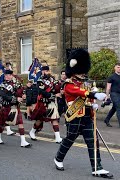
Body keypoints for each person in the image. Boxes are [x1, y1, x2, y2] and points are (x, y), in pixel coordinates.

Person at [54, 48, 113, 178]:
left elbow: (87, 98)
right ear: (74, 72)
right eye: (81, 72)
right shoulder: (68, 84)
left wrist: (93, 105)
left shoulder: (84, 84)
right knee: (69, 140)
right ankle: (58, 158)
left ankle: (97, 168)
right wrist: (95, 94)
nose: (83, 75)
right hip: (74, 117)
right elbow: (79, 93)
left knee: (93, 141)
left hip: (87, 117)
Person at [0, 69, 31, 147]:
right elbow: (4, 95)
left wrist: (23, 96)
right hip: (6, 106)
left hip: (15, 107)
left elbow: (22, 91)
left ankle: (23, 141)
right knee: (2, 123)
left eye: (8, 75)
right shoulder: (2, 85)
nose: (7, 76)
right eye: (5, 75)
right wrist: (15, 99)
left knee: (20, 123)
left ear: (11, 76)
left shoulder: (16, 84)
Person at [29, 65, 63, 143]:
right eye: (45, 71)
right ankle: (32, 131)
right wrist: (53, 95)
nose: (46, 72)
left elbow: (56, 88)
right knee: (40, 120)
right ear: (42, 72)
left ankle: (57, 137)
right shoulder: (40, 80)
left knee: (54, 119)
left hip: (51, 103)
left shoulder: (52, 79)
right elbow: (41, 92)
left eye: (47, 71)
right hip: (43, 103)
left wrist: (60, 89)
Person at [104, 63, 120, 128]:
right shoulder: (112, 77)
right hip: (114, 94)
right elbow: (108, 87)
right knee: (119, 108)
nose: (119, 68)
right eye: (118, 67)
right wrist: (107, 96)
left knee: (114, 108)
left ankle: (106, 119)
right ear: (115, 68)